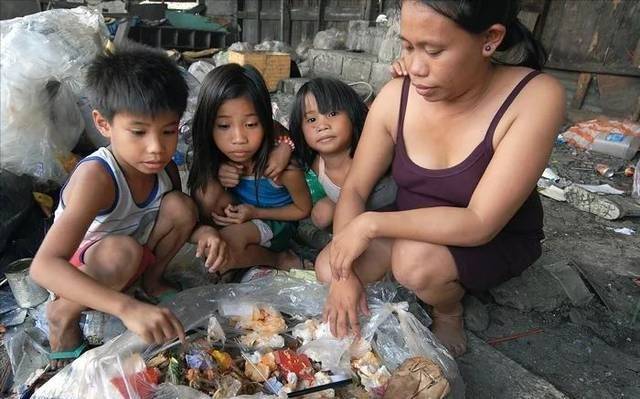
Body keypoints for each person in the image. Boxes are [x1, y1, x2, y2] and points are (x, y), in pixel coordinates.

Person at [316, 0, 566, 357]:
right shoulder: (396, 96)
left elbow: (480, 223)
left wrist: (369, 225)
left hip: (487, 237)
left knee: (415, 263)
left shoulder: (535, 97)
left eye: (433, 50)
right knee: (329, 268)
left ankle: (448, 308)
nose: (416, 67)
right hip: (410, 226)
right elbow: (355, 187)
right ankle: (398, 286)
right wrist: (344, 275)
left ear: (490, 39)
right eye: (408, 46)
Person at [30, 43, 227, 369]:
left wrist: (206, 233)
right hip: (82, 270)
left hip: (131, 255)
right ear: (103, 124)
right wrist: (125, 308)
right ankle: (63, 315)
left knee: (181, 206)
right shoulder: (98, 177)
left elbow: (177, 219)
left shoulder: (162, 167)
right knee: (122, 253)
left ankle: (150, 283)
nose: (156, 147)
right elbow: (44, 266)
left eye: (168, 131)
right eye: (138, 132)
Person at [188, 64, 312, 273]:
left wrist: (255, 212)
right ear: (207, 125)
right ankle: (239, 250)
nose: (239, 139)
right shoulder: (219, 160)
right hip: (243, 214)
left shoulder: (283, 169)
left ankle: (278, 259)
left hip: (276, 221)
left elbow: (303, 209)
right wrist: (217, 170)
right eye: (224, 126)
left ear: (264, 122)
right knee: (205, 192)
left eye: (251, 124)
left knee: (222, 251)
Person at [288, 77, 397, 229]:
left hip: (391, 213)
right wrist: (284, 148)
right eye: (312, 119)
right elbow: (275, 134)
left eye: (332, 114)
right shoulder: (316, 163)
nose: (322, 126)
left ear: (353, 114)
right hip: (349, 208)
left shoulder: (372, 150)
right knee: (320, 216)